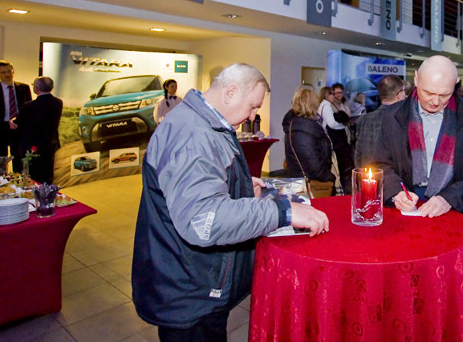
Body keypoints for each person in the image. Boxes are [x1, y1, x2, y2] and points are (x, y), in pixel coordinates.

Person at [132, 63, 329, 339]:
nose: (253, 115)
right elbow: (204, 220)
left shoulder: (205, 123)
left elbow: (205, 181)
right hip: (188, 291)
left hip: (197, 283)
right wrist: (282, 212)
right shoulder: (192, 134)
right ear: (231, 92)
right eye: (252, 106)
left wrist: (241, 184)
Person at [373, 55, 463, 223]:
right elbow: (381, 164)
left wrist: (449, 199)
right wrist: (396, 192)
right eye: (429, 92)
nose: (435, 101)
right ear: (416, 79)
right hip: (406, 210)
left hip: (456, 210)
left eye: (445, 94)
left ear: (456, 83)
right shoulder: (392, 115)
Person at [281, 87, 336, 197]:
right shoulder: (304, 131)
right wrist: (330, 177)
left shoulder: (296, 126)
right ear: (312, 105)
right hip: (308, 186)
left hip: (299, 182)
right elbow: (314, 166)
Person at [14, 77, 63, 184]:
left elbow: (19, 124)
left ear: (36, 88)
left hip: (32, 145)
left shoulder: (28, 106)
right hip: (50, 144)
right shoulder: (58, 103)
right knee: (48, 173)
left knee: (33, 176)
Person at [354, 75, 406, 168]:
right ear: (400, 95)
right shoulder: (402, 121)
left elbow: (358, 154)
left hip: (367, 178)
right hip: (393, 179)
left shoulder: (364, 120)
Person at [317, 84, 354, 192]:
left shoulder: (322, 105)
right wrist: (344, 126)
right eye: (332, 94)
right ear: (327, 95)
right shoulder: (327, 106)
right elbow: (332, 124)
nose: (334, 96)